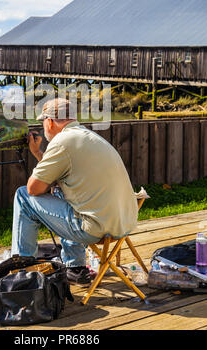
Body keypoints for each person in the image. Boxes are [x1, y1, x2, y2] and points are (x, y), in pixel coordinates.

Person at [11, 98, 138, 284]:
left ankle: (23, 270)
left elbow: (34, 189)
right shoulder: (88, 136)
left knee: (22, 196)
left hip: (94, 228)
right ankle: (75, 268)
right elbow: (61, 175)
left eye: (43, 122)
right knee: (62, 190)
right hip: (123, 223)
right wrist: (38, 153)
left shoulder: (62, 142)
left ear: (49, 121)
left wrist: (39, 162)